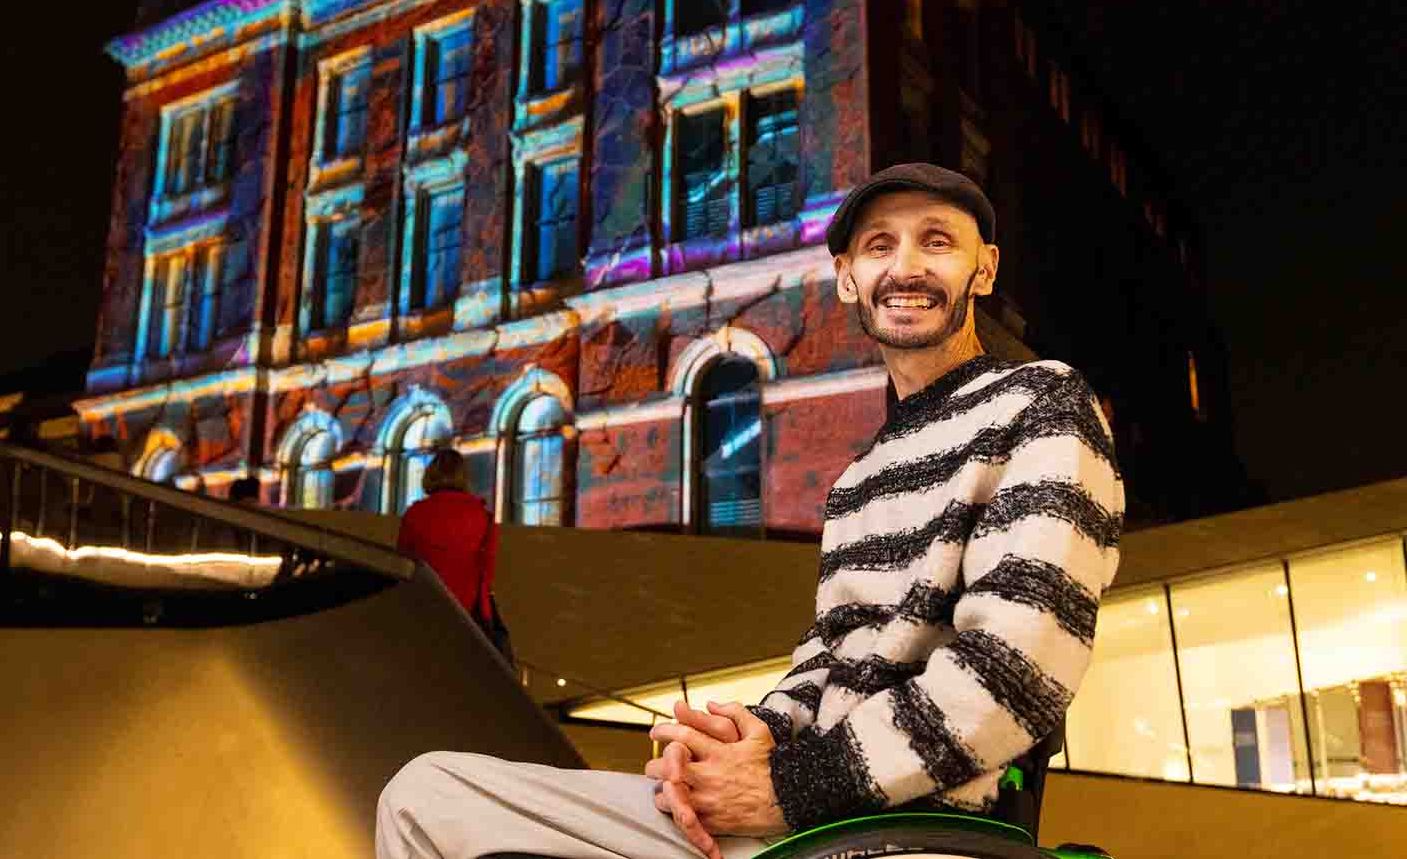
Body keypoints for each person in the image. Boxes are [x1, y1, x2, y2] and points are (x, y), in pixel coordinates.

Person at [375, 163, 1124, 859]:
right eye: (878, 246)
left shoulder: (1044, 402)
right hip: (805, 815)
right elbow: (829, 661)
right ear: (846, 280)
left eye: (937, 242)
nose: (906, 268)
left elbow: (1016, 672)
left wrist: (781, 789)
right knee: (425, 796)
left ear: (983, 269)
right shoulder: (860, 476)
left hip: (928, 826)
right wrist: (738, 737)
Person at [394, 448, 500, 624]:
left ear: (430, 474)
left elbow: (403, 564)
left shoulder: (414, 514)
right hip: (467, 614)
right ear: (465, 476)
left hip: (422, 608)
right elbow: (487, 571)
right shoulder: (484, 517)